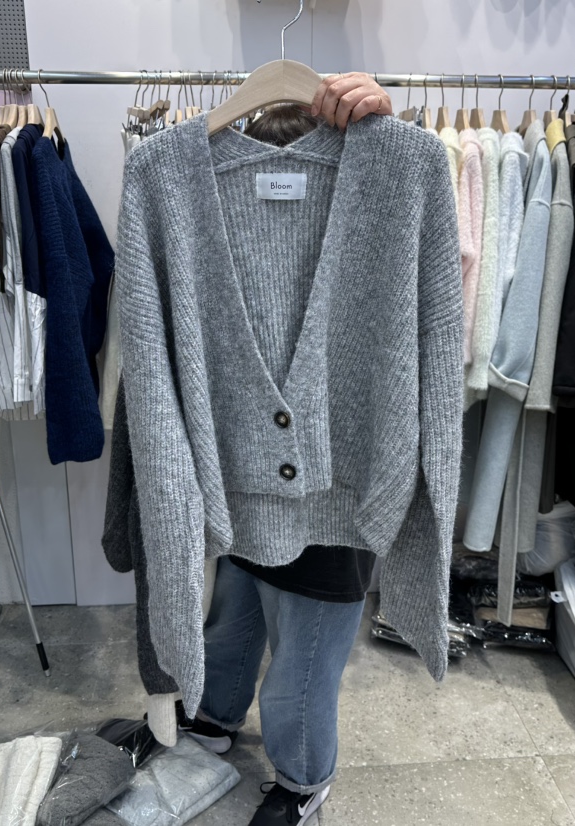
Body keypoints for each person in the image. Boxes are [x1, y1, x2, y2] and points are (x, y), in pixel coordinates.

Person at [177, 73, 395, 826]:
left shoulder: (371, 211)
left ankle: (304, 779)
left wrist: (381, 128)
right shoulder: (202, 205)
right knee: (231, 619)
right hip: (245, 477)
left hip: (333, 498)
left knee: (301, 672)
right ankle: (213, 716)